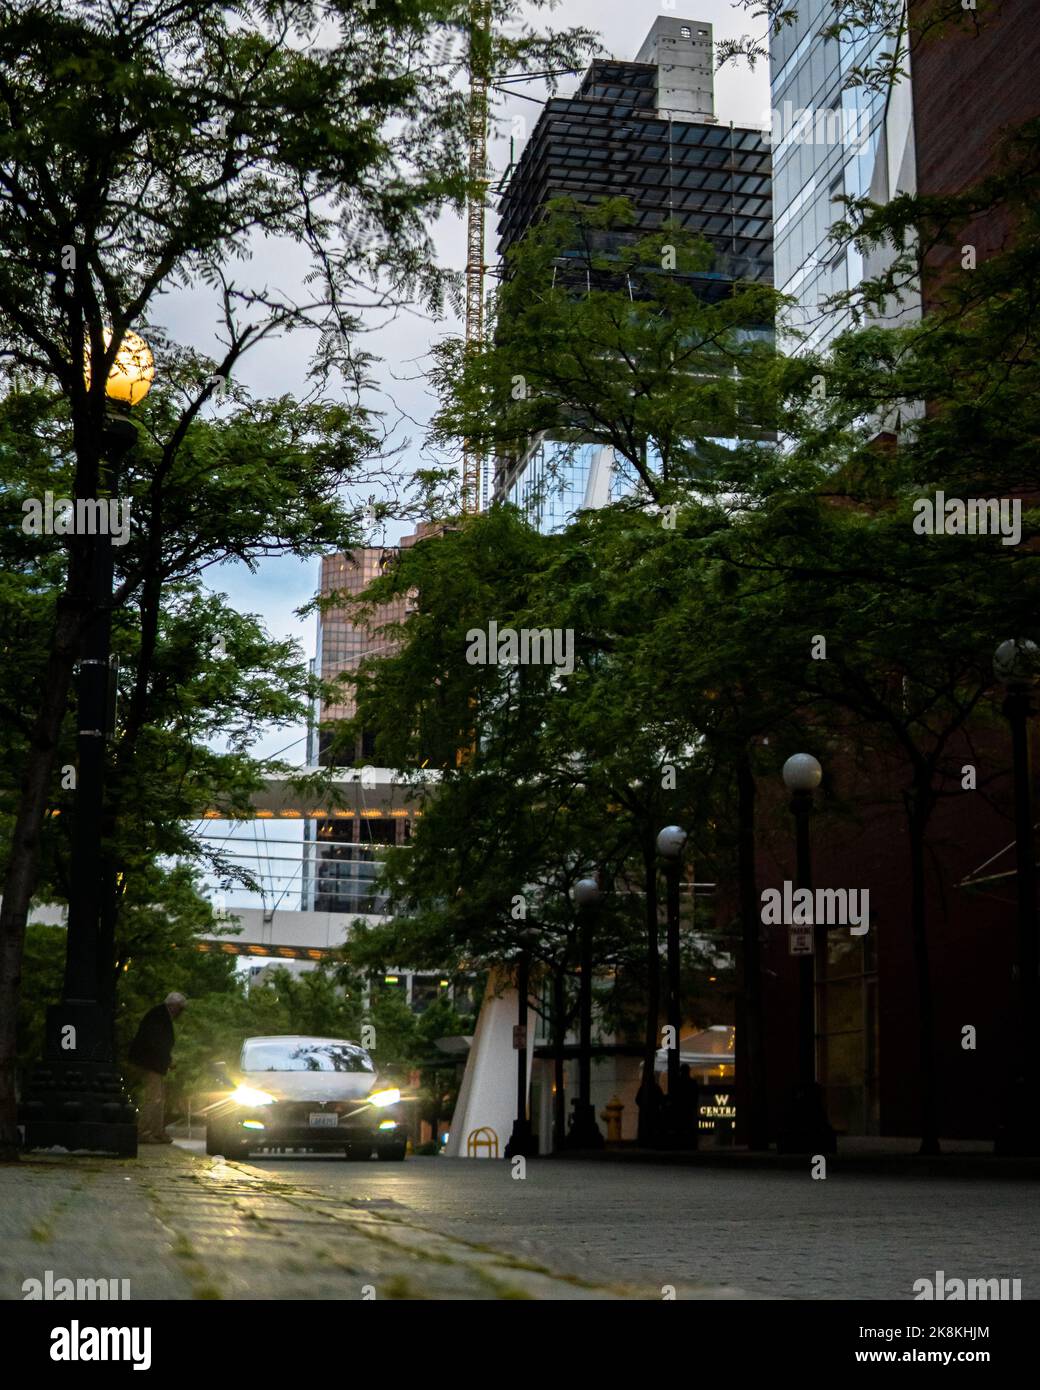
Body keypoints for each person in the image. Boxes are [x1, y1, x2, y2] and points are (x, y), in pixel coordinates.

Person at [127, 992, 187, 1143]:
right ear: (173, 1006)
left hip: (154, 1062)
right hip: (151, 1062)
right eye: (180, 1009)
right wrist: (167, 1060)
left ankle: (156, 1131)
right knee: (154, 1098)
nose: (180, 1013)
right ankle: (143, 1132)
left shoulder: (159, 1015)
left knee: (159, 1098)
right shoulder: (159, 1016)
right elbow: (157, 1043)